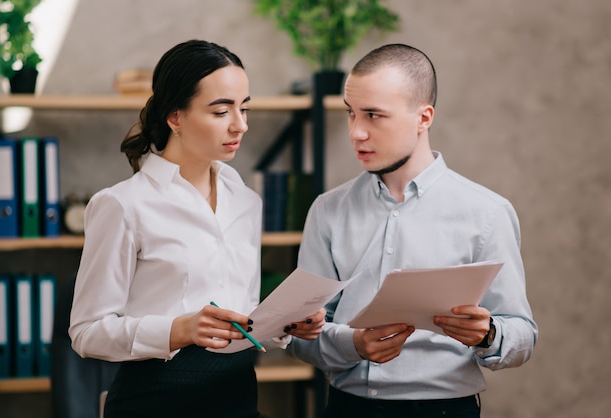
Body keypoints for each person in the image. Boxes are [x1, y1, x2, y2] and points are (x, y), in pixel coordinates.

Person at [68, 39, 325, 418]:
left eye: (244, 108)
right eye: (221, 111)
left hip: (237, 396)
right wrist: (179, 330)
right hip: (155, 401)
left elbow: (242, 315)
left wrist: (284, 324)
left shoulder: (246, 201)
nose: (241, 124)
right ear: (175, 117)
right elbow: (87, 333)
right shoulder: (122, 205)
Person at [286, 43, 538, 418]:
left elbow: (522, 334)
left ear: (424, 118)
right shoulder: (328, 210)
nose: (356, 132)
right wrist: (353, 344)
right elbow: (298, 337)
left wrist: (488, 334)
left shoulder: (487, 213)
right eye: (350, 114)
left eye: (373, 115)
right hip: (345, 408)